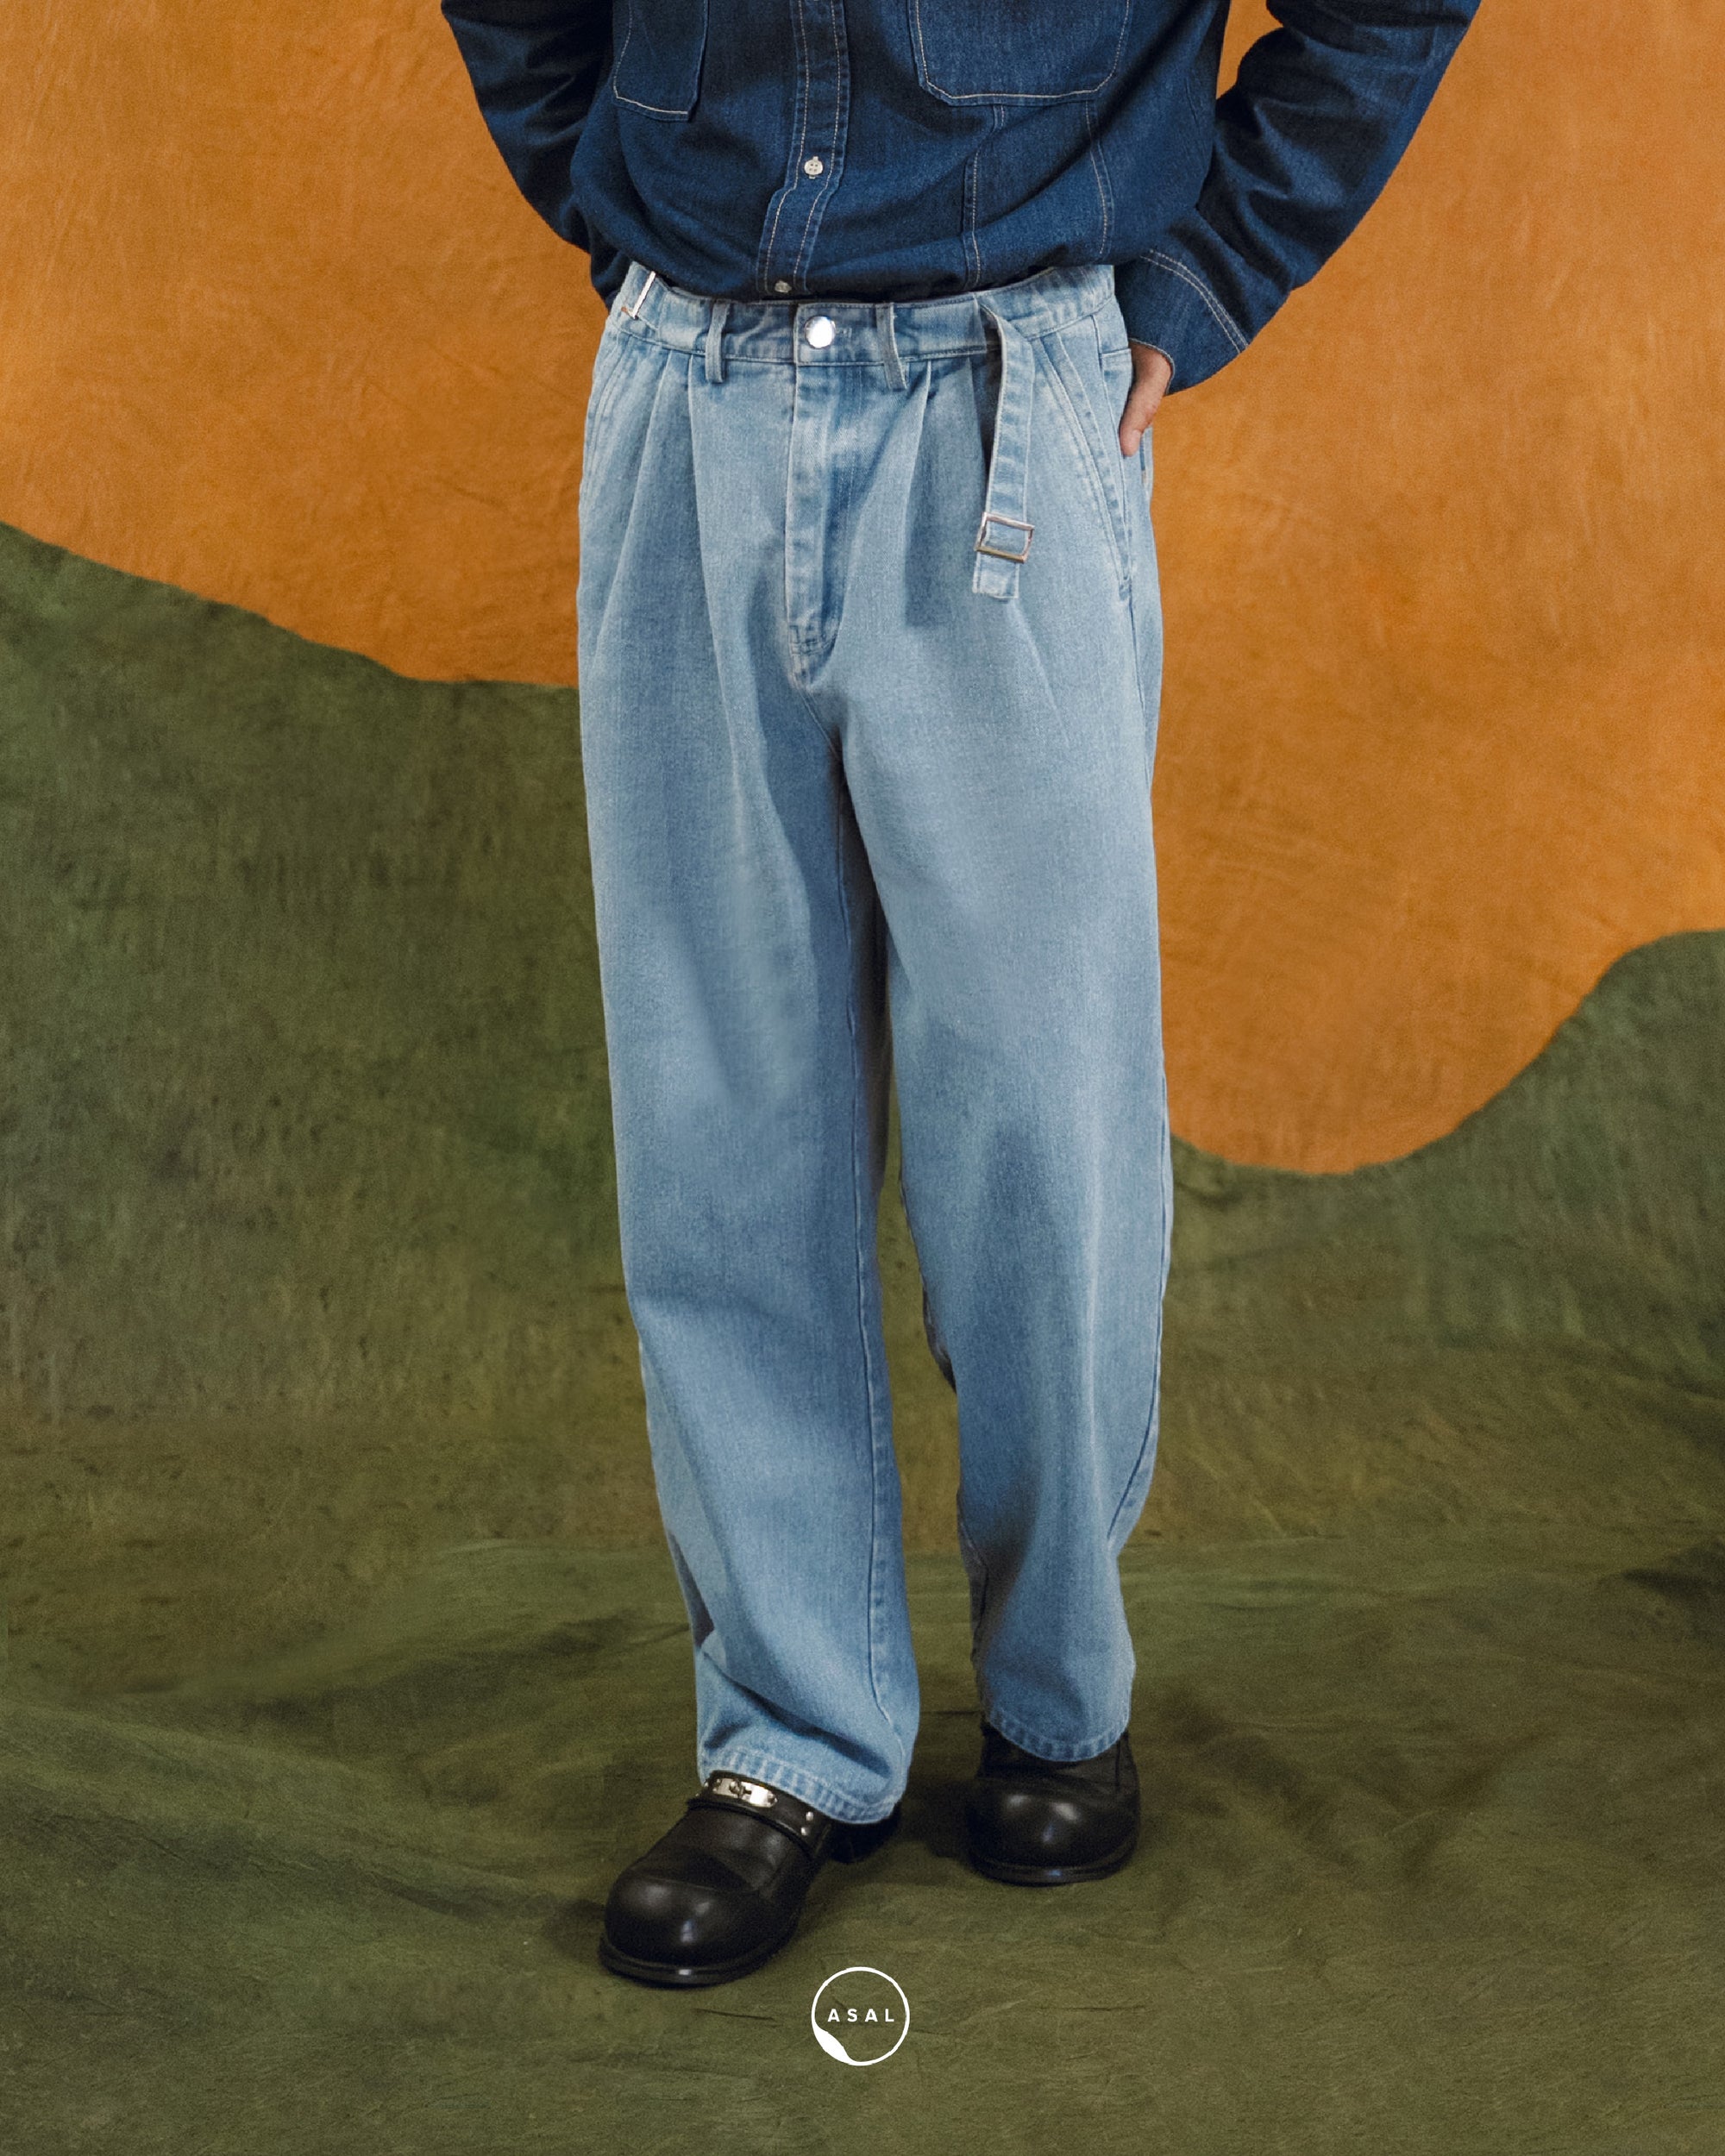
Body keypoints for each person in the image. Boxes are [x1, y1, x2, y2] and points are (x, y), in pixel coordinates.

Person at [439, 0, 1481, 1989]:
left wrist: (1210, 270)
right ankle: (788, 1736)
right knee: (719, 1112)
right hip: (687, 382)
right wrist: (602, 183)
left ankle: (1060, 1694)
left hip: (1008, 389)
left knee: (1038, 1119)